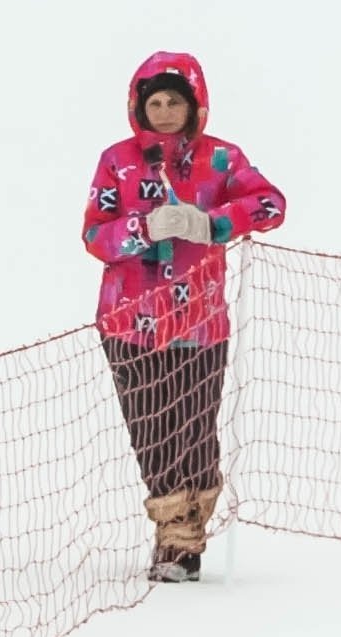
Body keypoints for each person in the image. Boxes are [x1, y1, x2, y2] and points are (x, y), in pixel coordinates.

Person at [80, 52, 289, 581]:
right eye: (156, 102)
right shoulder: (116, 160)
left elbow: (270, 205)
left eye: (176, 101)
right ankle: (175, 543)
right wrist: (143, 229)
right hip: (130, 324)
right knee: (154, 434)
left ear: (195, 105)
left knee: (196, 435)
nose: (166, 111)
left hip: (200, 326)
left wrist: (212, 224)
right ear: (138, 107)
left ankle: (191, 531)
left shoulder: (222, 160)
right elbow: (95, 236)